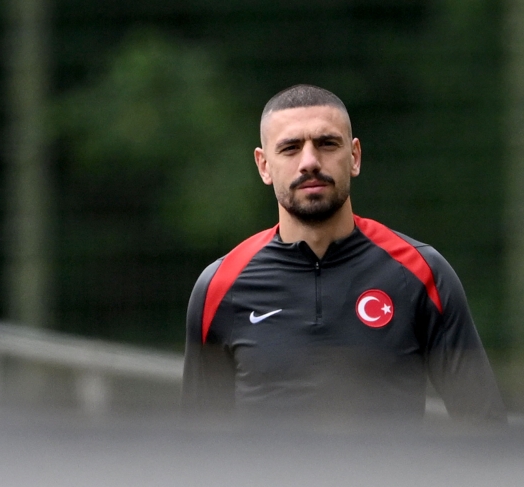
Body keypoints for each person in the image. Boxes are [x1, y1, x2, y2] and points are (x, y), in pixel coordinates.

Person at [183, 84, 505, 421]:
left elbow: (485, 430)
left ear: (354, 157)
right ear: (264, 166)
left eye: (326, 144)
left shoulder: (422, 273)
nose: (309, 161)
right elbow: (198, 450)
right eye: (291, 148)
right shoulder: (220, 287)